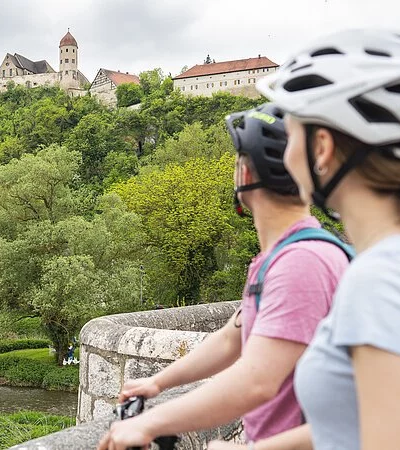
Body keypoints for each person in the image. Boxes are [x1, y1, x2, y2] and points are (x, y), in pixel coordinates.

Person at [209, 29, 400, 450]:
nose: (286, 152)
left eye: (291, 134)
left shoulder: (383, 282)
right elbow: (370, 426)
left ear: (322, 148)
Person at [97, 103, 351, 450]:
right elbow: (233, 338)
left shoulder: (302, 262)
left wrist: (152, 420)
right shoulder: (287, 254)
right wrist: (158, 383)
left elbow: (257, 380)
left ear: (246, 174)